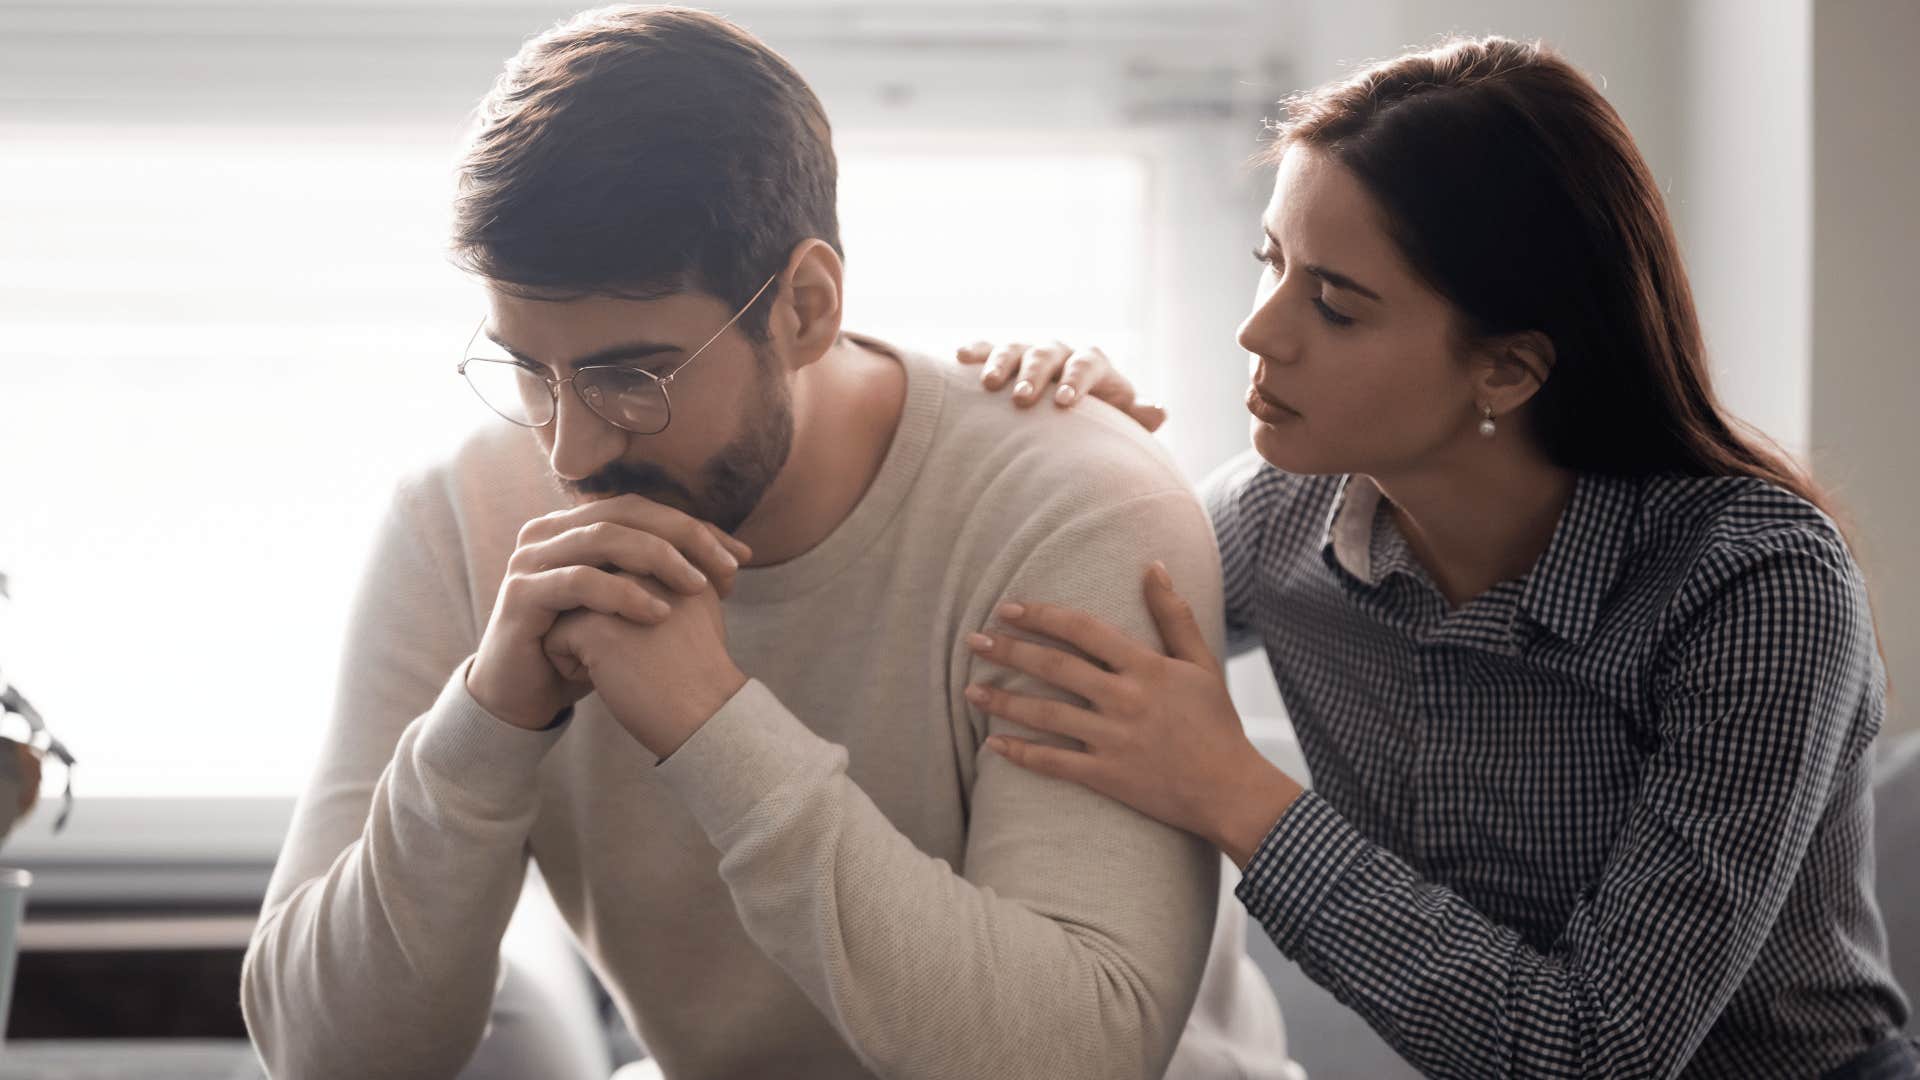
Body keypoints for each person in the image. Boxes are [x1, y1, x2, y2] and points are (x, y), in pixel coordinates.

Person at [239, 5, 1294, 1079]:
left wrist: (713, 727)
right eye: (526, 369)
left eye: (631, 375)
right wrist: (488, 723)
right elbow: (320, 1057)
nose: (571, 445)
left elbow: (1073, 1056)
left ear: (805, 305)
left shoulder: (1075, 510)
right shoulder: (461, 521)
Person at [960, 35, 1917, 1079]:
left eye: (1333, 304)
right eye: (1269, 263)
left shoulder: (1758, 586)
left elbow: (1597, 1055)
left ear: (1506, 370)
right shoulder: (1277, 517)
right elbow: (1055, 615)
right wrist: (1075, 443)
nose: (1258, 332)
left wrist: (1229, 786)